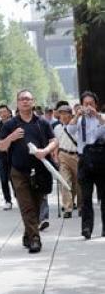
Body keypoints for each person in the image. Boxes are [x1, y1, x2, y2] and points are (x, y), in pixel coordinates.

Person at [0, 89, 57, 253]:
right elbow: (1, 146)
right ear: (17, 103)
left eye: (28, 99)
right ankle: (35, 239)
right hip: (18, 171)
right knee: (27, 206)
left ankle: (28, 234)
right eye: (22, 99)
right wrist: (12, 137)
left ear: (33, 102)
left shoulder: (42, 122)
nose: (25, 102)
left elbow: (54, 141)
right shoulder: (10, 124)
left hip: (39, 171)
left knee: (37, 206)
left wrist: (45, 151)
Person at [66, 91, 105, 239]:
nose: (88, 106)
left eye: (91, 103)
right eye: (85, 103)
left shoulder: (102, 117)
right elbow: (69, 130)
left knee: (104, 196)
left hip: (101, 160)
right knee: (86, 197)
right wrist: (76, 115)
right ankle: (87, 228)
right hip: (84, 159)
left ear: (96, 104)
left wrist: (97, 116)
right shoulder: (79, 119)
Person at [54, 104, 80, 218]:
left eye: (66, 113)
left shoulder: (77, 126)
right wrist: (55, 156)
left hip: (77, 156)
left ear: (71, 114)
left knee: (78, 183)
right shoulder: (57, 128)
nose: (63, 116)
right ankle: (67, 208)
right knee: (65, 182)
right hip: (63, 155)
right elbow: (56, 143)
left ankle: (81, 206)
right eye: (61, 114)